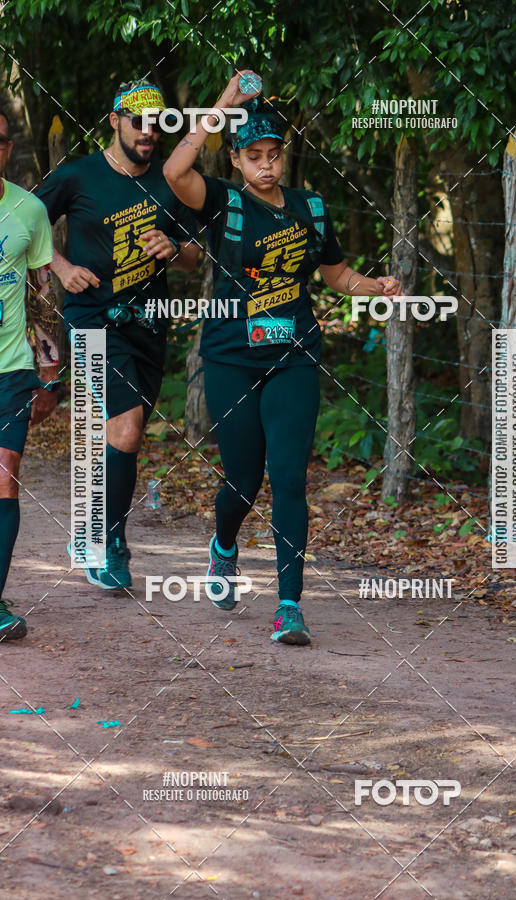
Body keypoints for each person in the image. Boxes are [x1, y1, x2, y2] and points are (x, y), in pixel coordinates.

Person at [163, 73, 399, 645]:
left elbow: (335, 275)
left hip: (294, 354)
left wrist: (375, 286)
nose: (265, 165)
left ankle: (289, 606)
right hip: (230, 358)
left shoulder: (309, 208)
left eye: (273, 155)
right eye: (254, 156)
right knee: (243, 482)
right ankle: (223, 547)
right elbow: (173, 171)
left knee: (289, 477)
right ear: (236, 159)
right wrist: (225, 103)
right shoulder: (223, 202)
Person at [37, 79, 199, 590]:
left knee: (125, 434)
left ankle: (92, 532)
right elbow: (23, 225)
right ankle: (109, 542)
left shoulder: (171, 180)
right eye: (138, 121)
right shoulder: (78, 175)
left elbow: (195, 257)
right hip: (91, 318)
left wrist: (173, 249)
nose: (148, 131)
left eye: (157, 123)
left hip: (149, 323)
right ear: (114, 120)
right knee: (126, 428)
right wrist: (61, 267)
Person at [0, 108, 61, 640]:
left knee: (5, 477)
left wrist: (49, 370)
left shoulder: (29, 210)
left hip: (12, 369)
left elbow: (43, 292)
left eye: (0, 140)